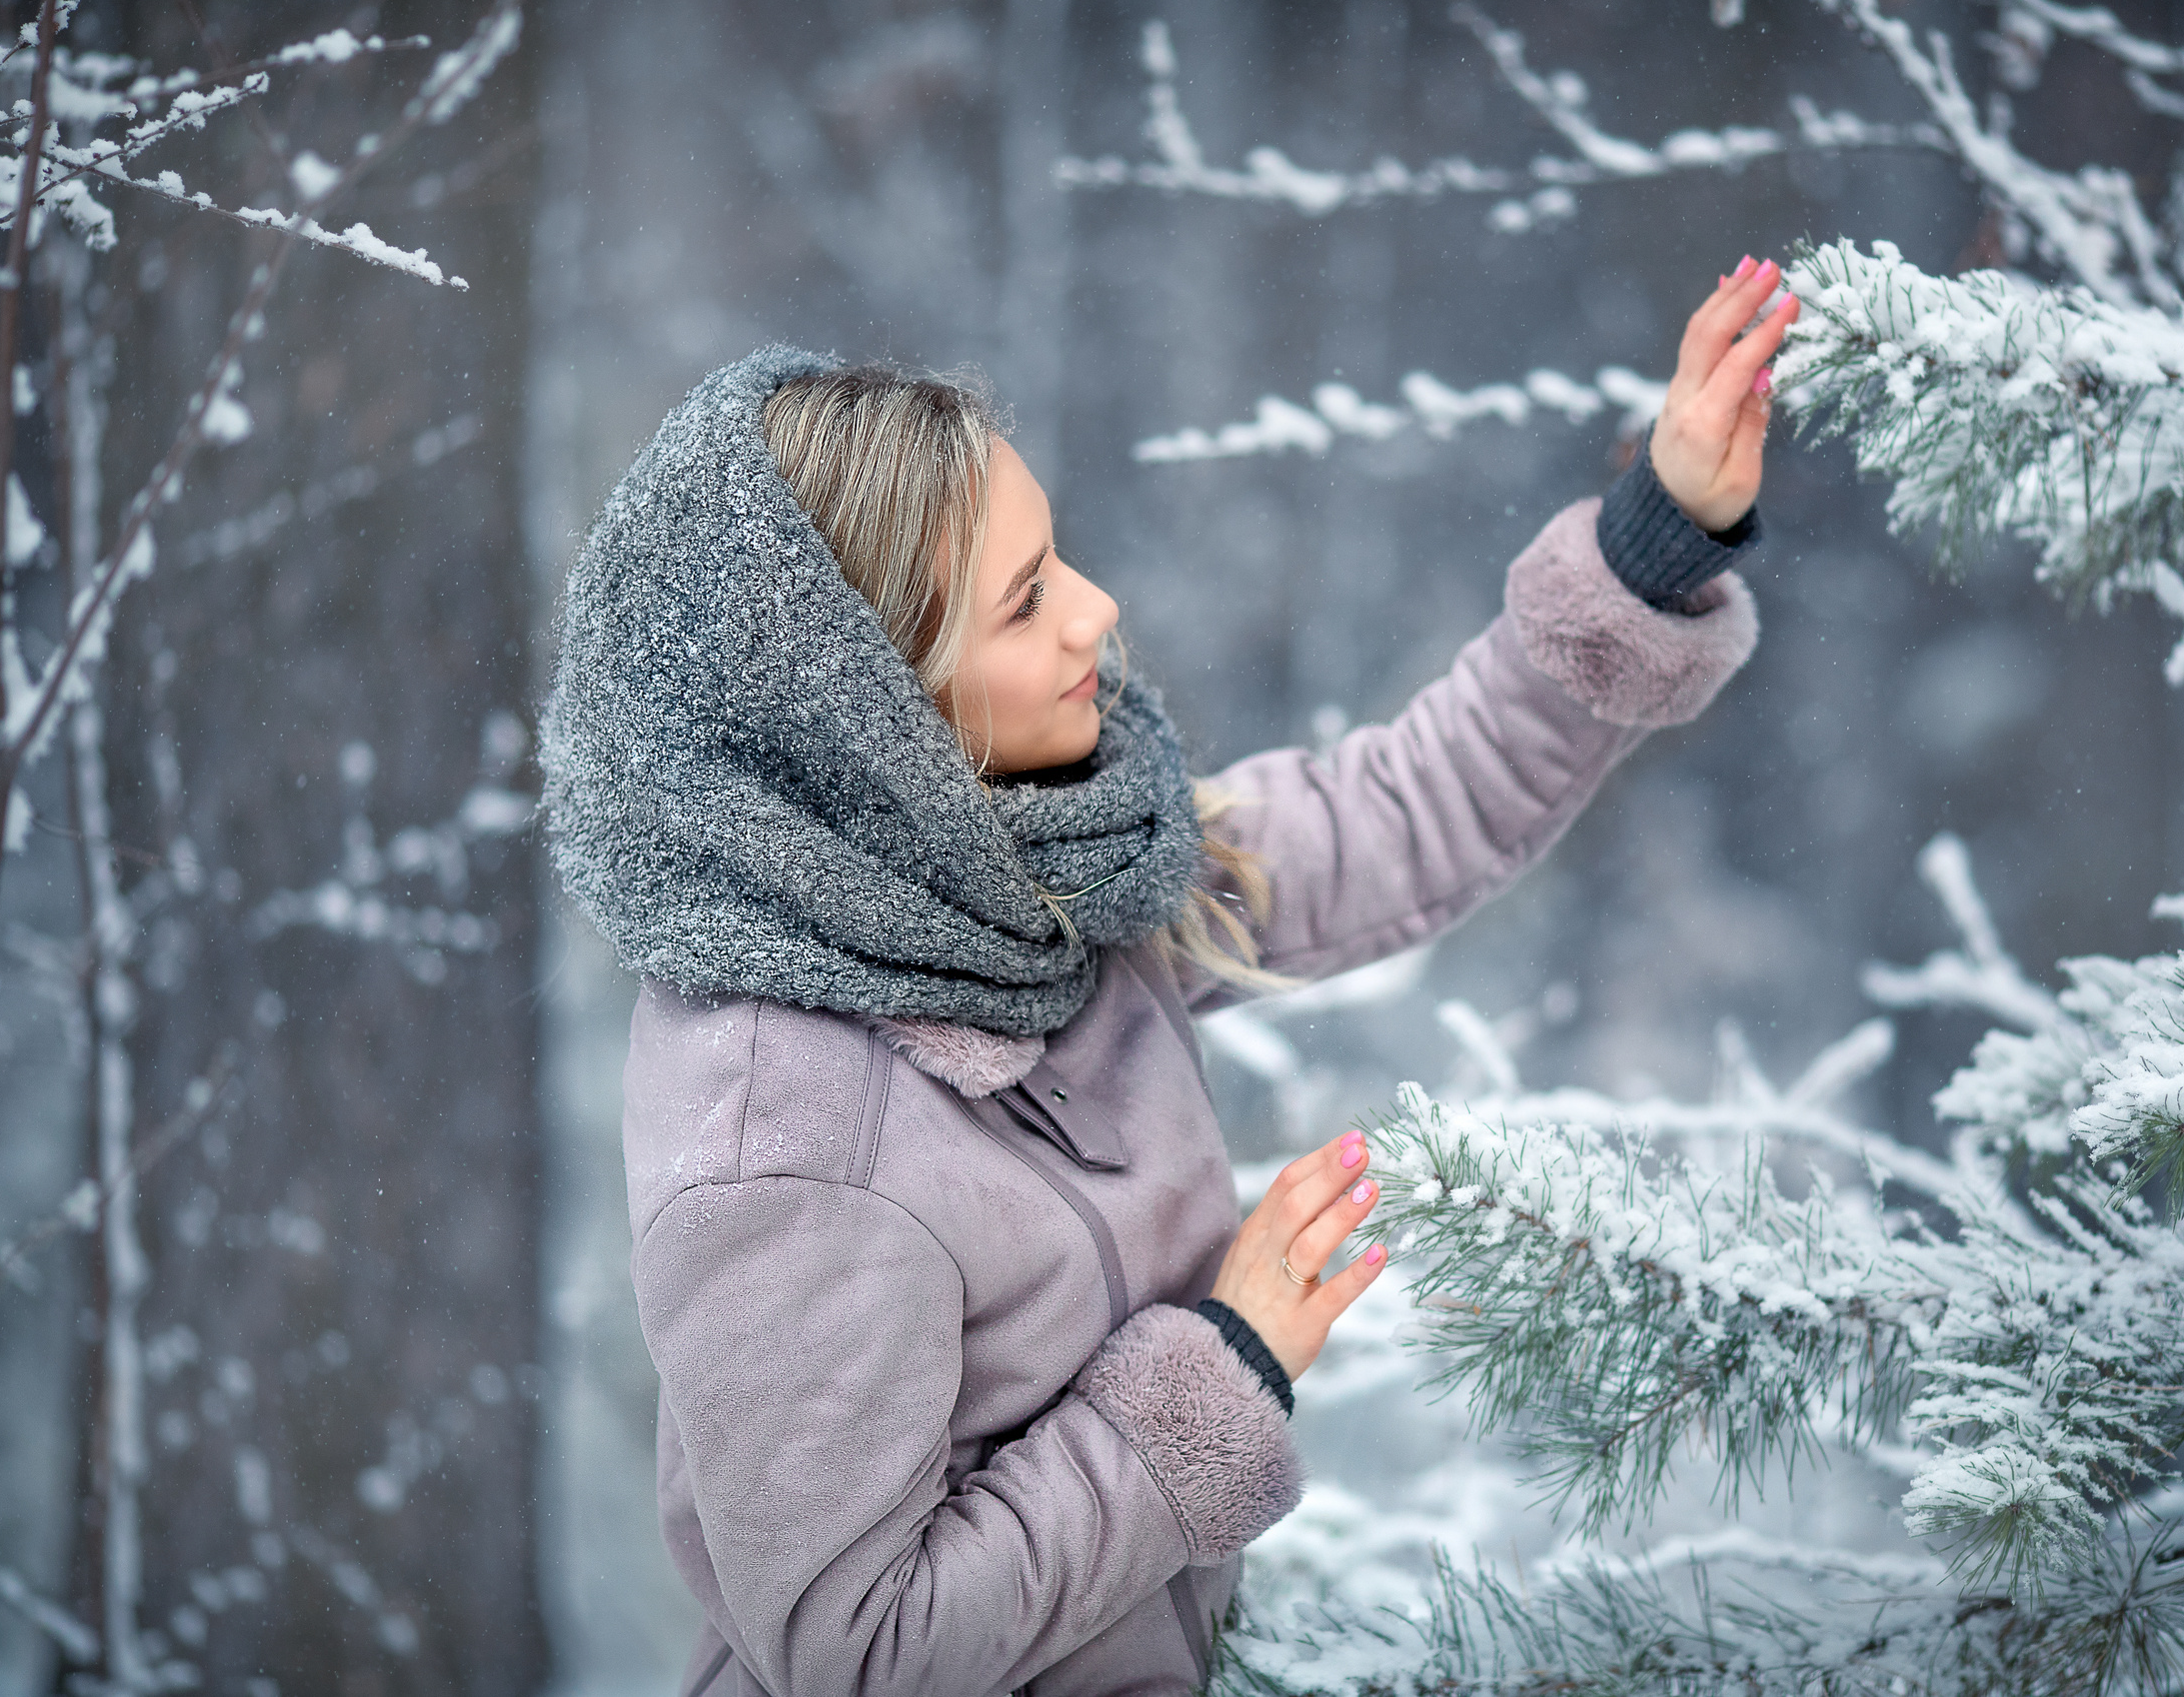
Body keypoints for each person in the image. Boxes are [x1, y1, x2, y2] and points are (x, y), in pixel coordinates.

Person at [539, 258, 1797, 1697]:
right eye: (1023, 605)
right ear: (873, 727)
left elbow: (1387, 818)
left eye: (1052, 556)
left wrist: (1652, 542)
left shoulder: (1042, 873)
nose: (1093, 611)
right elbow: (864, 1656)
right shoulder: (784, 1148)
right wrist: (1219, 1373)